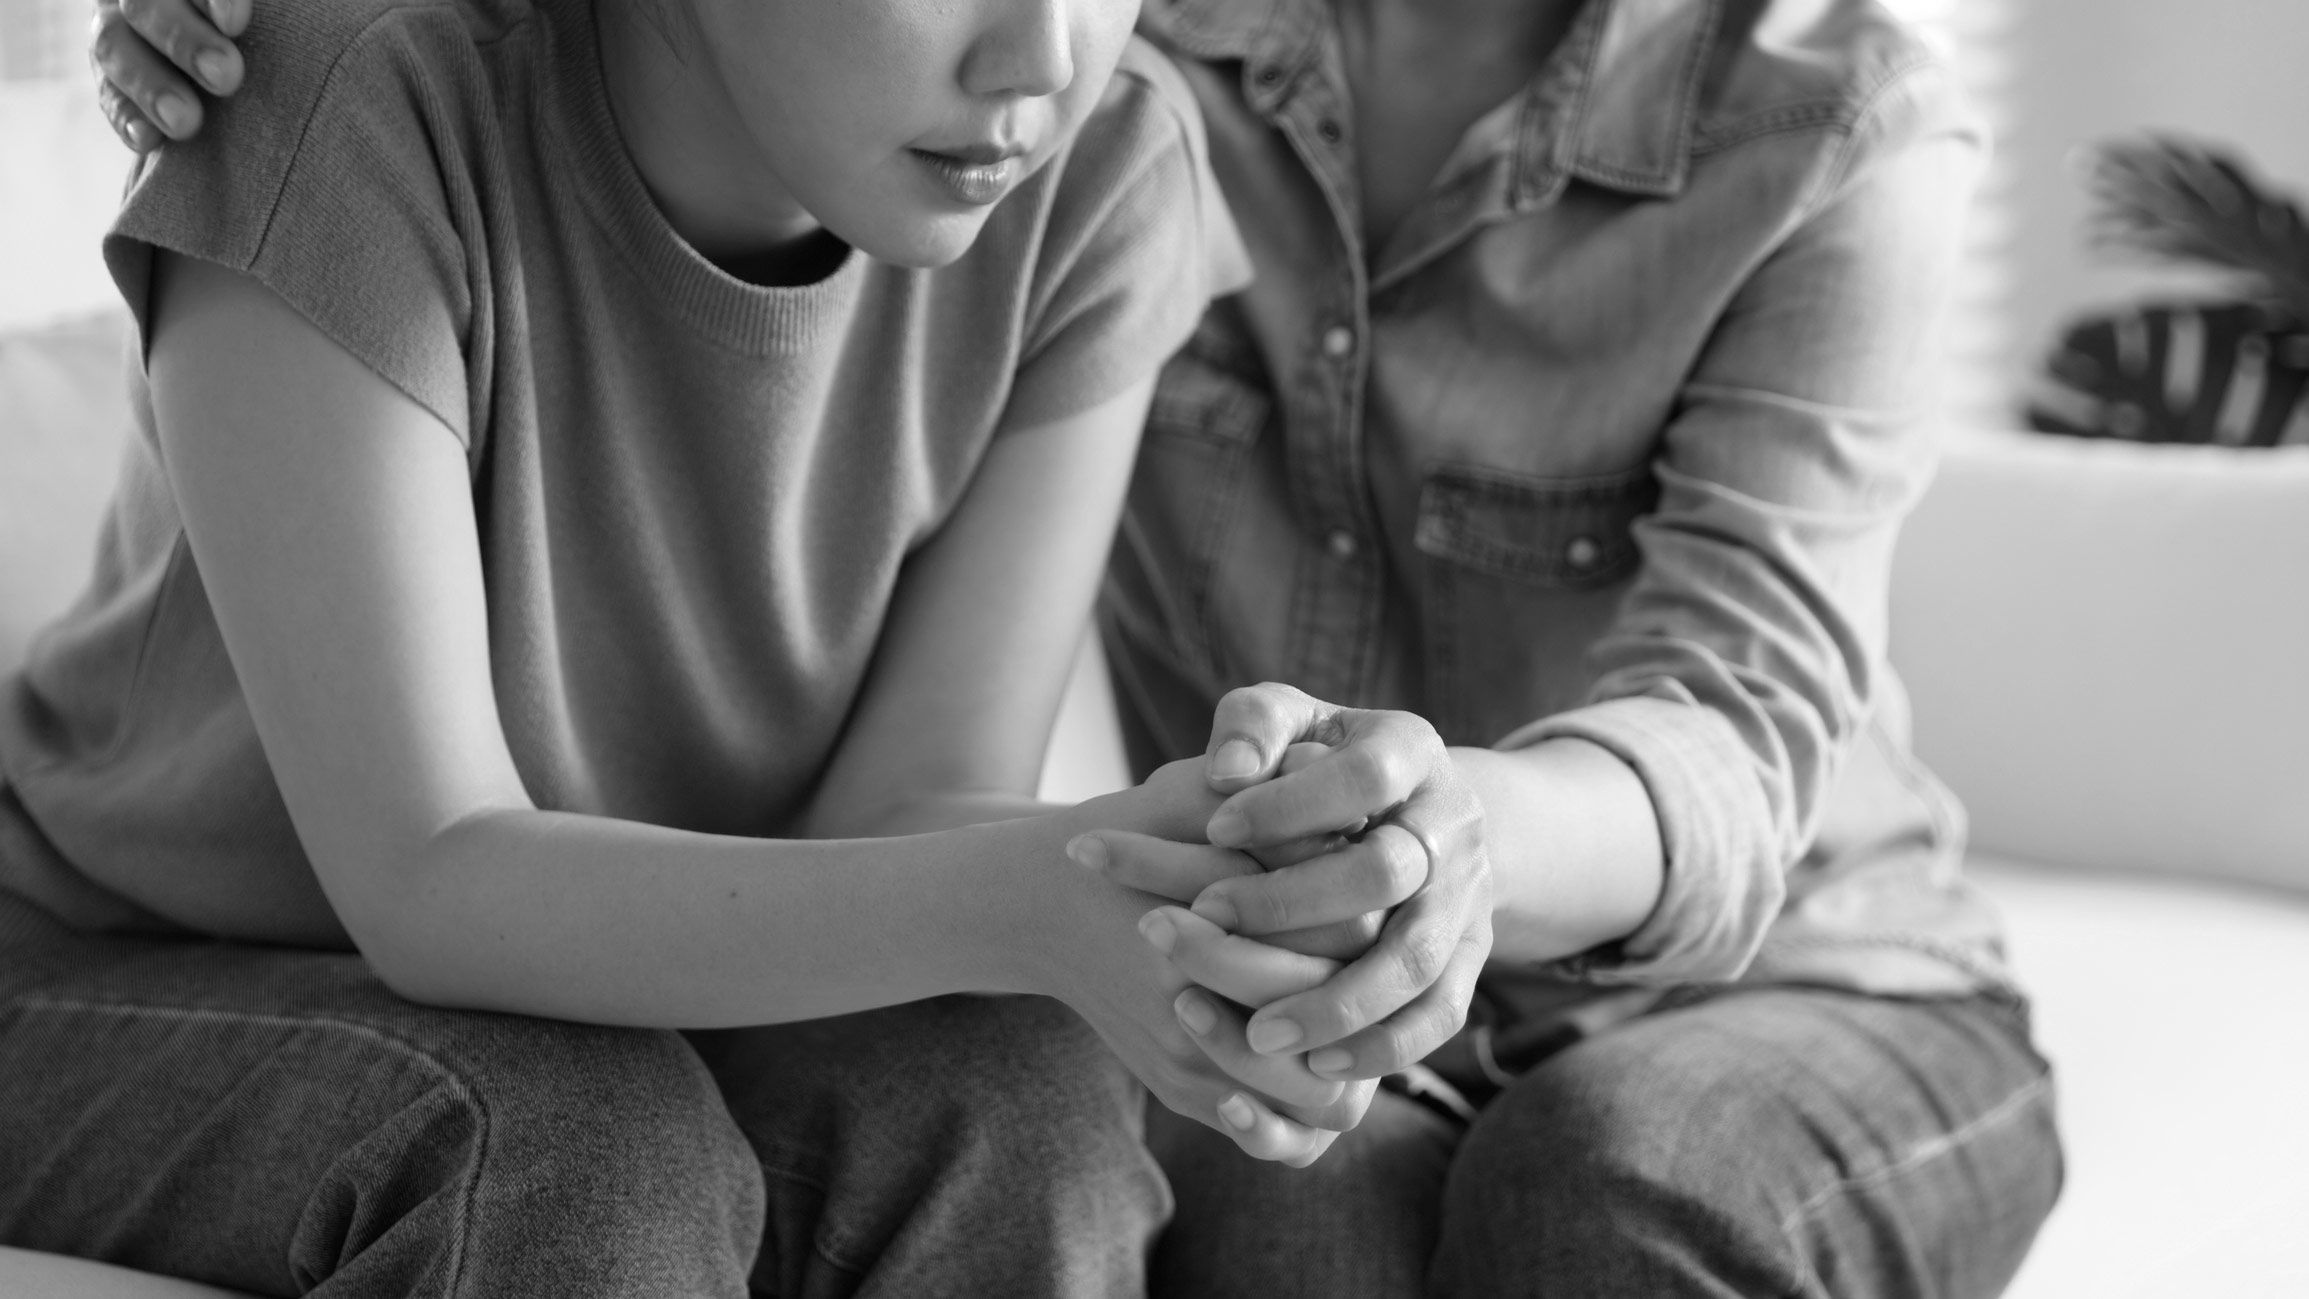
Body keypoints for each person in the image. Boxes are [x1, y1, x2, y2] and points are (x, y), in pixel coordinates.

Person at [88, 0, 2068, 1295]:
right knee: (1232, 1215)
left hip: (1775, 967)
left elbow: (1739, 723)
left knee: (1599, 1190)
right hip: (1275, 970)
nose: (1033, 55)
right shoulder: (1128, 80)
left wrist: (1376, 848)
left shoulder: (1829, 117)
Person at [0, 0, 1406, 1295]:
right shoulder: (354, 93)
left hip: (675, 983)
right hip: (124, 963)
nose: (1041, 59)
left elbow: (904, 810)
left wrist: (1173, 871)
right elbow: (427, 875)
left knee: (1019, 1101)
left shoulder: (1102, 163)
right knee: (570, 1155)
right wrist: (1026, 899)